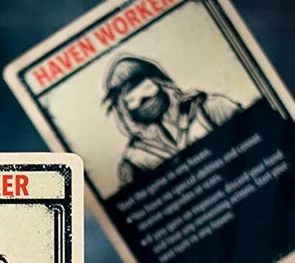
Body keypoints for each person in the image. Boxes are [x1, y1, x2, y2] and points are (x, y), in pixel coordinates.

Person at [103, 55, 242, 185]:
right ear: (124, 110)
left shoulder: (209, 108)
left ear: (162, 83)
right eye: (132, 100)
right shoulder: (136, 161)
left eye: (147, 88)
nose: (144, 100)